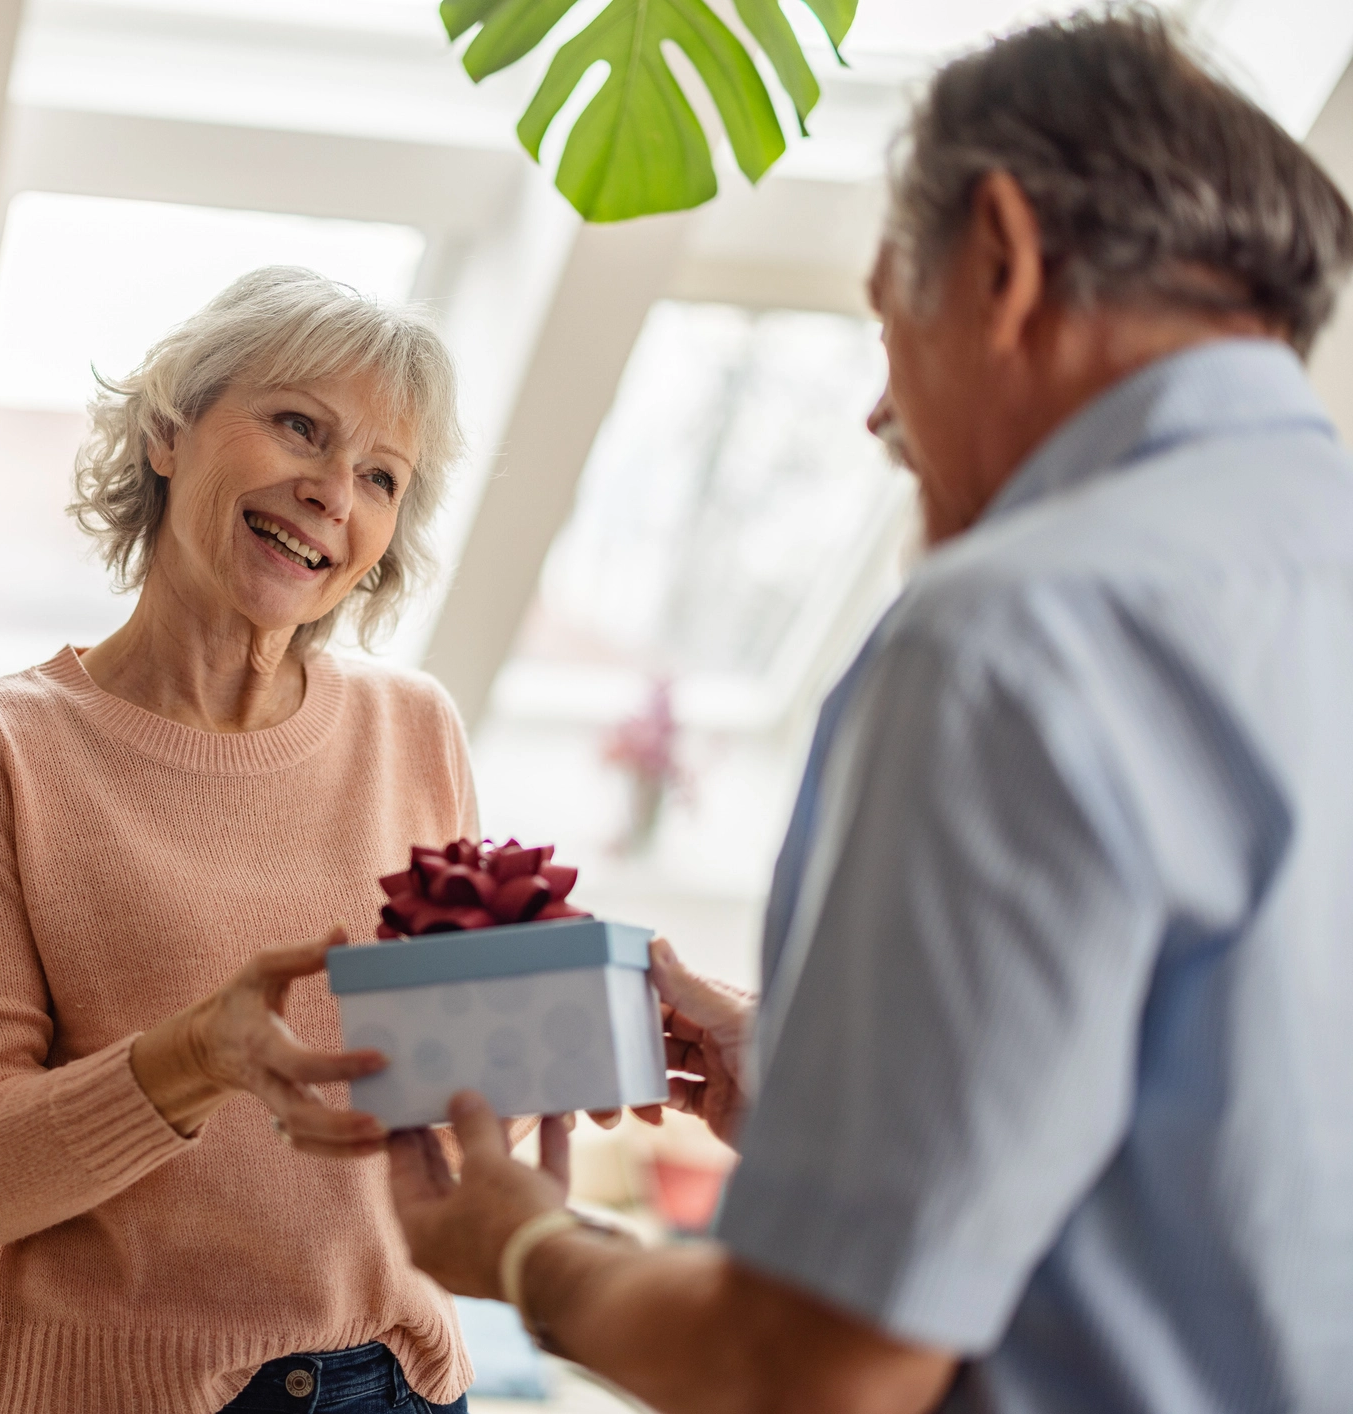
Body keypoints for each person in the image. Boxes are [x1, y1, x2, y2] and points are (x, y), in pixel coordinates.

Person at [384, 11, 1353, 1413]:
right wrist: (802, 1073)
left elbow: (819, 1364)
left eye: (890, 314)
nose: (876, 410)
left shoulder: (1013, 634)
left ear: (1005, 259)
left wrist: (526, 1248)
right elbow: (1215, 1127)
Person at [0, 267, 485, 1414]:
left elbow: (443, 1096)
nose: (329, 492)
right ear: (167, 430)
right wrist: (191, 1059)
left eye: (378, 476)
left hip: (402, 1379)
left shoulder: (415, 730)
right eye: (297, 425)